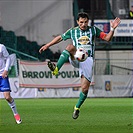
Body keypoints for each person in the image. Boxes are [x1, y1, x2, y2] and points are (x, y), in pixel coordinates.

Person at [39, 12, 121, 119]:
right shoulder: (73, 31)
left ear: (88, 22)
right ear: (77, 22)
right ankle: (56, 69)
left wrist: (112, 29)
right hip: (76, 56)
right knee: (69, 47)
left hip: (88, 60)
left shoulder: (93, 30)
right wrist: (47, 45)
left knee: (84, 89)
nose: (83, 24)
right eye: (81, 22)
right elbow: (60, 37)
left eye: (85, 22)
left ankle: (77, 108)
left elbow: (107, 38)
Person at [0, 43, 22, 124]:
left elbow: (8, 58)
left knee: (7, 97)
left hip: (2, 75)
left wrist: (6, 70)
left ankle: (16, 114)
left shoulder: (1, 47)